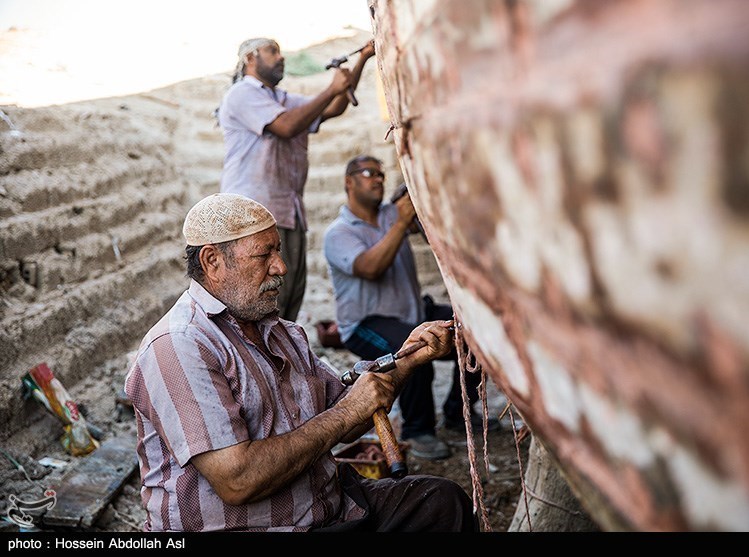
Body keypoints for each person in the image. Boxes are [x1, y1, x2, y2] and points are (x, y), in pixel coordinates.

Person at [123, 193, 476, 532]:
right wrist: (350, 410)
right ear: (212, 262)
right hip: (254, 528)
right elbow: (237, 480)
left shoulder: (280, 332)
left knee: (443, 503)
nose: (281, 266)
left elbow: (349, 415)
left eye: (278, 250)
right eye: (265, 255)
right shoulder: (180, 344)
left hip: (327, 509)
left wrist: (411, 358)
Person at [323, 155, 500, 462]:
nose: (377, 178)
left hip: (413, 311)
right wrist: (403, 222)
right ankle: (417, 431)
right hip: (365, 322)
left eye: (381, 173)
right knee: (412, 349)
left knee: (477, 327)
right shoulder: (339, 233)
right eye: (368, 173)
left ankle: (459, 414)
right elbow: (371, 267)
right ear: (348, 182)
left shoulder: (393, 213)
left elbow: (433, 216)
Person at [217, 37, 375, 322]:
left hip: (286, 212)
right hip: (253, 214)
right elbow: (287, 126)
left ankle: (280, 363)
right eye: (272, 51)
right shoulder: (242, 94)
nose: (281, 57)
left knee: (287, 300)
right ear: (251, 58)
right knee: (262, 304)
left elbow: (332, 107)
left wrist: (362, 59)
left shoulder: (282, 99)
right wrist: (332, 88)